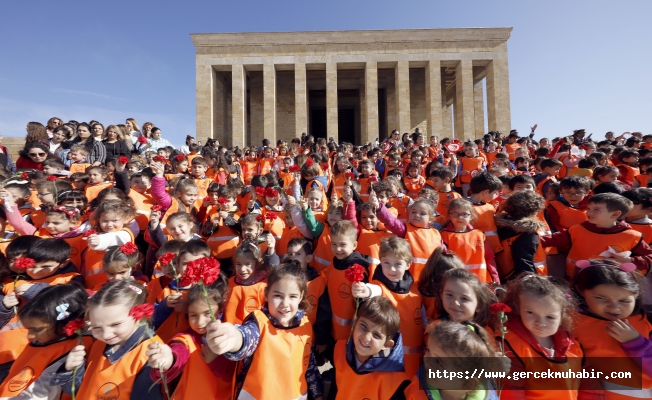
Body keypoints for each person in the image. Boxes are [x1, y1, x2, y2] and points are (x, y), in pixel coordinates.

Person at [205, 262, 324, 400]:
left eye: (292, 296)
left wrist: (317, 394)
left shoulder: (305, 326)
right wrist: (231, 339)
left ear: (301, 296)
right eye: (278, 296)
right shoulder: (258, 323)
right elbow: (246, 338)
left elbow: (309, 366)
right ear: (266, 294)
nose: (285, 304)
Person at [51, 280, 165, 399]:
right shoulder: (99, 344)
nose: (106, 334)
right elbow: (80, 390)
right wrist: (72, 370)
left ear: (139, 315)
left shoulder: (150, 355)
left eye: (116, 324)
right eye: (97, 327)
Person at [501, 273, 603, 399]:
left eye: (550, 317)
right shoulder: (510, 345)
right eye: (530, 312)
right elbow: (511, 391)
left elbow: (589, 386)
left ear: (562, 315)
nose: (540, 322)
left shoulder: (572, 345)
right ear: (518, 307)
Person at [572, 259, 652, 397]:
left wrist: (635, 342)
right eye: (600, 298)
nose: (614, 307)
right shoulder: (569, 323)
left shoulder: (646, 322)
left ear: (636, 295)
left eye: (624, 301)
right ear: (581, 291)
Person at [0, 283, 92, 399]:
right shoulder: (43, 341)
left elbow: (42, 392)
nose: (30, 335)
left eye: (37, 329)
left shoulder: (75, 350)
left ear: (65, 324)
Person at [330, 297, 411, 399]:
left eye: (376, 335)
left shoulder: (394, 382)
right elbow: (334, 390)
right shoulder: (340, 351)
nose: (367, 337)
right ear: (355, 324)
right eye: (363, 326)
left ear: (386, 345)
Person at [404, 321, 501, 400]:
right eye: (429, 351)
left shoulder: (489, 397)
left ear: (469, 382)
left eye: (439, 362)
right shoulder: (416, 392)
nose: (427, 361)